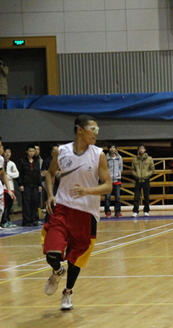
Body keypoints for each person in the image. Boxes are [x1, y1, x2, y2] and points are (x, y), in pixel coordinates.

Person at [42, 114, 112, 310]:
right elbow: (50, 173)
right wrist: (50, 195)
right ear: (80, 130)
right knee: (52, 253)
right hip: (63, 209)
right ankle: (57, 271)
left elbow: (108, 185)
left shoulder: (99, 154)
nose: (96, 133)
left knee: (76, 258)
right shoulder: (61, 151)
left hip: (86, 213)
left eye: (98, 130)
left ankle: (68, 292)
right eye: (93, 129)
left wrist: (87, 191)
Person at [16, 144, 43, 226]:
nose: (31, 153)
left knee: (34, 202)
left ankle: (34, 219)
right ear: (26, 151)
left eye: (33, 151)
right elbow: (19, 173)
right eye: (30, 151)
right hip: (26, 185)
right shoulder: (22, 160)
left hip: (35, 185)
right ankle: (27, 220)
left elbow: (38, 173)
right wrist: (20, 184)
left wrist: (40, 184)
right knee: (26, 203)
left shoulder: (36, 161)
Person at [131, 145, 154, 217]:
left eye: (142, 148)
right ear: (138, 150)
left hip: (146, 179)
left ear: (145, 150)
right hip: (138, 180)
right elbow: (133, 169)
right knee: (136, 197)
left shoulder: (149, 159)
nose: (141, 150)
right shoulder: (135, 159)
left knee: (146, 196)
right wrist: (136, 175)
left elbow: (152, 169)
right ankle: (135, 211)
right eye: (140, 148)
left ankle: (146, 210)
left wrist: (147, 175)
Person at [0, 139, 17, 227]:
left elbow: (3, 174)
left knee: (2, 209)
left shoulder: (1, 159)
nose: (1, 148)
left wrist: (9, 189)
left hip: (1, 190)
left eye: (1, 146)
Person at [104, 144, 123, 218]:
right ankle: (107, 212)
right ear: (108, 149)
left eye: (114, 147)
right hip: (108, 181)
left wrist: (118, 175)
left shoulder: (119, 158)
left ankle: (117, 212)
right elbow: (104, 168)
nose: (112, 149)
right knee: (107, 197)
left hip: (117, 180)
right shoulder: (105, 158)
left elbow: (120, 168)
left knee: (117, 197)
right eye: (111, 148)